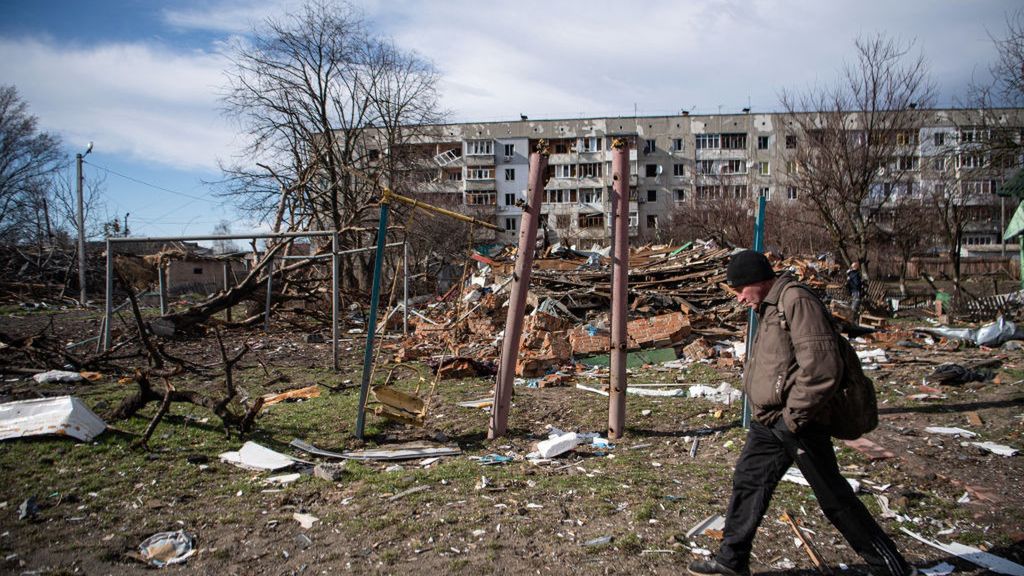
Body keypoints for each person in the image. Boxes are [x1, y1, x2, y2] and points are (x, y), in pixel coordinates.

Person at [688, 250, 914, 576]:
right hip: (771, 421)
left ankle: (890, 565)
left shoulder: (796, 301)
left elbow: (822, 368)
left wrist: (793, 418)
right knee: (748, 482)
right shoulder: (769, 307)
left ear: (759, 281)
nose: (739, 298)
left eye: (740, 290)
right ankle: (730, 561)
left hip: (799, 421)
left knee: (832, 496)